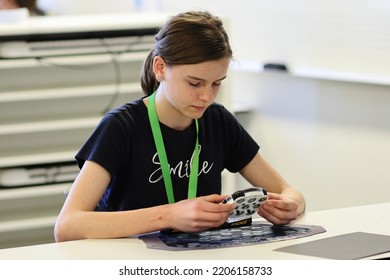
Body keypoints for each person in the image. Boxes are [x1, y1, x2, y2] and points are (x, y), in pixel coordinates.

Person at [54, 11, 305, 242]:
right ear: (160, 68)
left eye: (217, 83)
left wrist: (291, 204)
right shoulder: (121, 127)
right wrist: (170, 216)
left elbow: (288, 191)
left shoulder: (217, 120)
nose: (207, 97)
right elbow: (67, 226)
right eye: (195, 83)